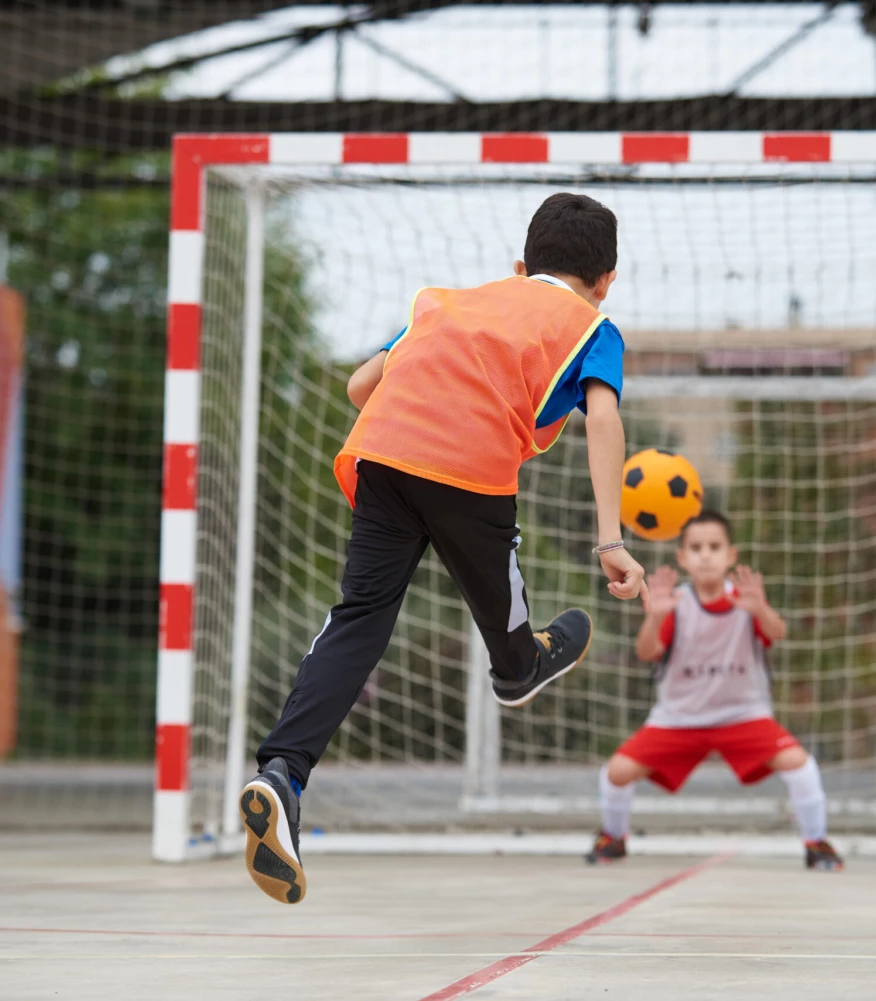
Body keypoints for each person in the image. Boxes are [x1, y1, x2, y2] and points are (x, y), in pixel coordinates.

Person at [241, 193, 648, 905]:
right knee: (511, 653)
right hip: (468, 472)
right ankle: (522, 662)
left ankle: (282, 772)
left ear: (520, 266)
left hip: (383, 454)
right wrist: (609, 537)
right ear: (606, 279)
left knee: (359, 616)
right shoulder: (594, 324)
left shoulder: (450, 302)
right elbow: (603, 417)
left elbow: (359, 384)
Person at [585, 511, 844, 872]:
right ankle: (613, 838)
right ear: (682, 558)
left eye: (714, 547)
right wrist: (655, 616)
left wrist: (762, 609)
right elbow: (647, 652)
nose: (705, 555)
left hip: (743, 715)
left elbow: (778, 633)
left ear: (731, 555)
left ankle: (816, 843)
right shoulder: (674, 603)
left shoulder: (746, 600)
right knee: (617, 771)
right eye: (696, 547)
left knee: (801, 766)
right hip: (679, 718)